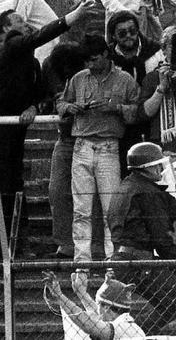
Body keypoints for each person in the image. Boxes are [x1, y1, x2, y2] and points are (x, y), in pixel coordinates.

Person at [0, 0, 97, 256]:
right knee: (2, 189)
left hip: (15, 136)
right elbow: (38, 38)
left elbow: (40, 94)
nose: (25, 25)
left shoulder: (32, 63)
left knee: (16, 188)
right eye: (19, 22)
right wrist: (72, 16)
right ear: (4, 31)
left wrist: (33, 105)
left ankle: (19, 244)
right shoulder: (11, 46)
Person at [58, 34, 139, 266]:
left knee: (110, 210)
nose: (89, 65)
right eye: (87, 61)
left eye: (93, 59)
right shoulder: (78, 78)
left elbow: (137, 112)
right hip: (82, 145)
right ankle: (81, 262)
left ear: (106, 55)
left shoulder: (125, 80)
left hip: (108, 146)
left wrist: (116, 108)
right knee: (81, 209)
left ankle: (112, 262)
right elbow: (61, 104)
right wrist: (71, 107)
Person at [107, 141, 176, 333]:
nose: (161, 168)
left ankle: (132, 335)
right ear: (147, 167)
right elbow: (161, 238)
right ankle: (133, 335)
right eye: (158, 164)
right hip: (140, 264)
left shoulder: (127, 186)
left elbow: (159, 218)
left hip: (122, 261)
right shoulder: (148, 192)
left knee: (167, 310)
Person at [43, 274, 148, 340]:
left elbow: (89, 324)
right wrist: (81, 293)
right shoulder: (126, 324)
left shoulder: (121, 327)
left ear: (106, 308)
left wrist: (60, 297)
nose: (96, 307)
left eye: (98, 304)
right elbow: (97, 314)